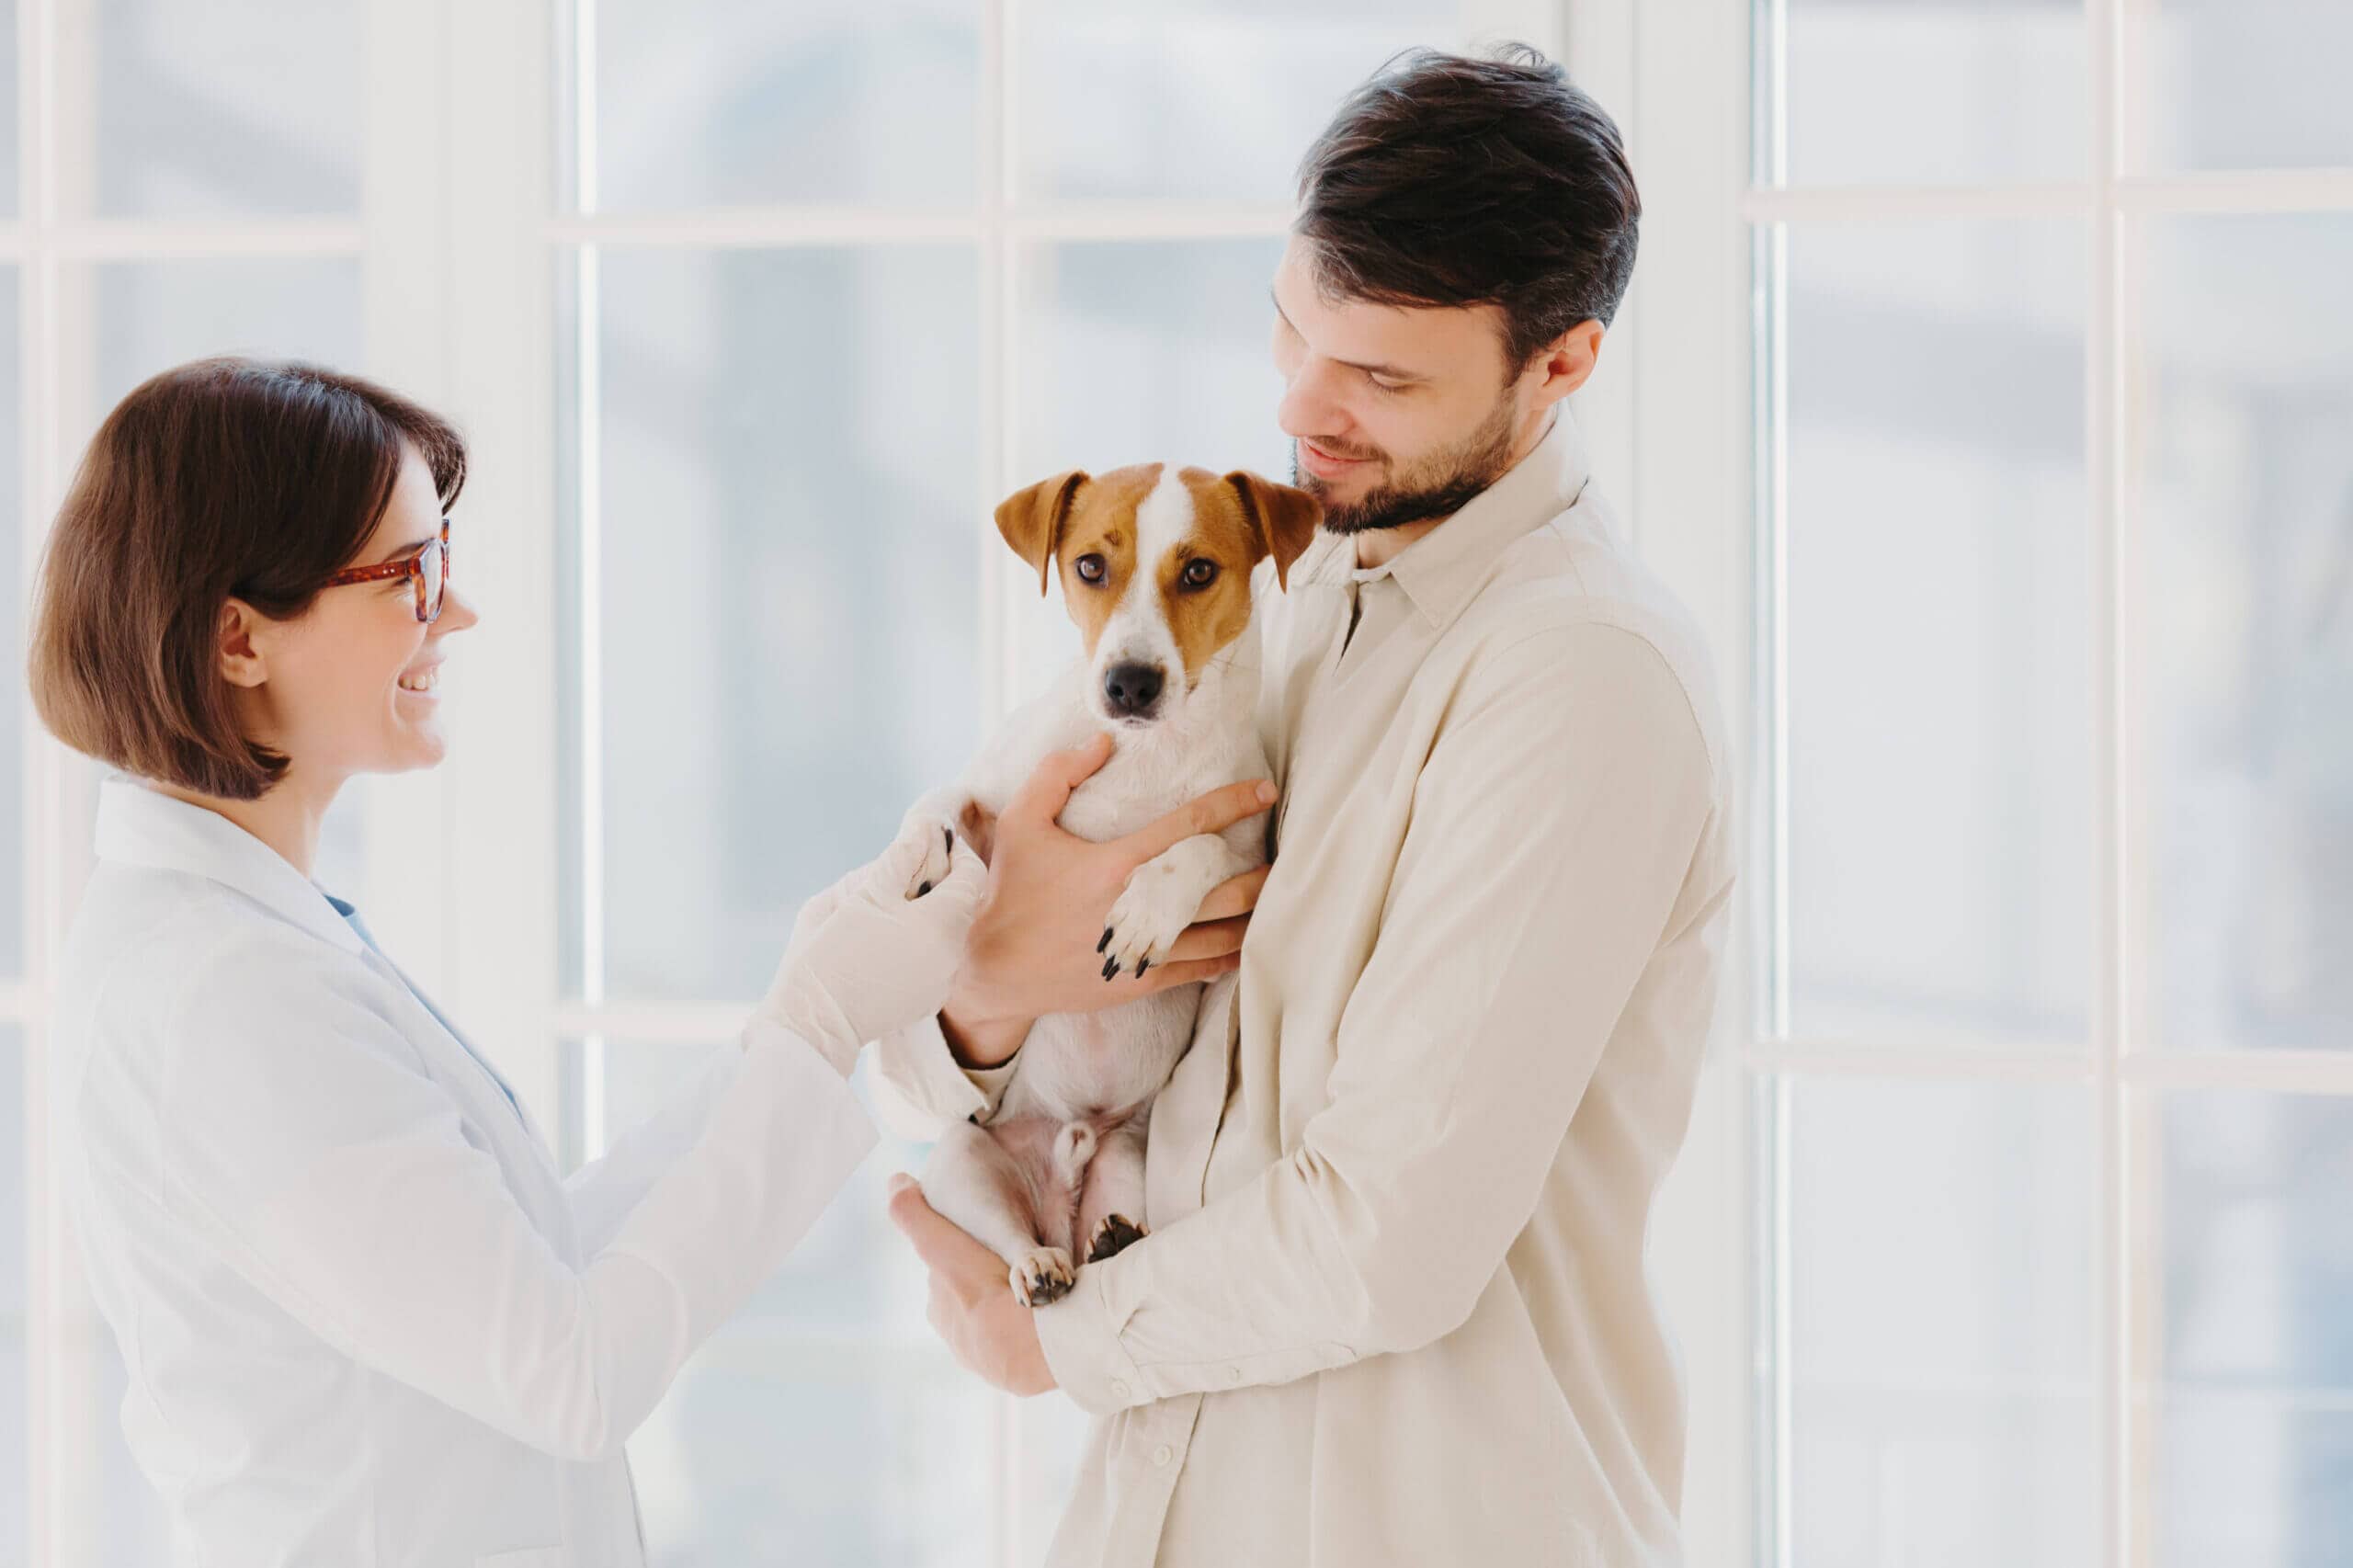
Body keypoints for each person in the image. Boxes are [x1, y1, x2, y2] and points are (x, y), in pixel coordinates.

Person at [28, 356, 1269, 1568]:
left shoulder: (252, 942)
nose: (453, 611)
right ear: (241, 640)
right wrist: (817, 1028)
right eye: (408, 574)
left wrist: (800, 1013)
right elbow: (568, 1367)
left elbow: (540, 1257)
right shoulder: (217, 997)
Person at [879, 45, 1735, 1567]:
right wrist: (992, 1005)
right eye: (1293, 334)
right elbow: (1030, 987)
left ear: (1563, 364)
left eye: (1386, 378)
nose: (1304, 411)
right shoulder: (1302, 582)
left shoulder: (1579, 681)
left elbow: (1389, 1235)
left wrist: (1056, 1344)